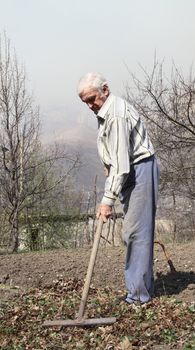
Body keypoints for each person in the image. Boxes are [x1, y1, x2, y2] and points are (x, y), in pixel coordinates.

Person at [77, 73, 159, 304]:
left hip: (139, 169)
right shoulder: (105, 111)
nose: (90, 106)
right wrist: (108, 162)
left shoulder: (116, 115)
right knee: (132, 232)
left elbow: (122, 165)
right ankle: (140, 289)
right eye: (85, 102)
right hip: (130, 169)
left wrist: (107, 200)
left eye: (92, 99)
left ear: (105, 89)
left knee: (136, 232)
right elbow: (116, 153)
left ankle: (138, 297)